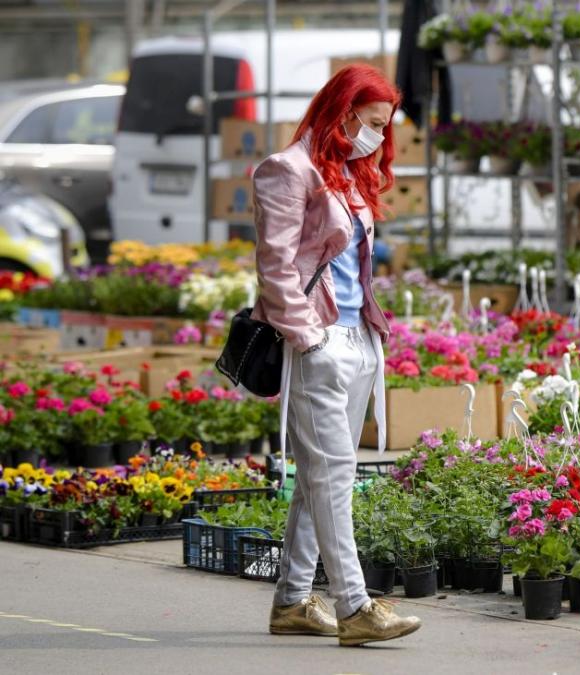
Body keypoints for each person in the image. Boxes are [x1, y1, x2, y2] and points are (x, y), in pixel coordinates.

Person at [252, 64, 421, 647]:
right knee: (335, 476)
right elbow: (275, 267)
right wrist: (308, 337)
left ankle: (294, 601)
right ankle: (354, 605)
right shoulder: (286, 170)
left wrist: (365, 337)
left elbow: (356, 267)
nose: (377, 136)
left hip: (358, 339)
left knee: (318, 479)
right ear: (343, 111)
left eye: (384, 127)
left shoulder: (347, 174)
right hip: (318, 341)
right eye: (372, 123)